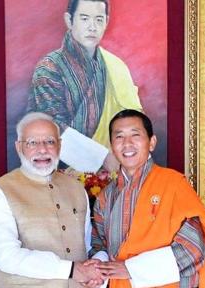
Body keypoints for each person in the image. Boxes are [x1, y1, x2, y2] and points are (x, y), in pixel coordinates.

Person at [89, 109, 205, 288]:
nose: (126, 143)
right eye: (119, 137)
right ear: (112, 145)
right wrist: (100, 265)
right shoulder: (106, 197)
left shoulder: (173, 184)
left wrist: (131, 269)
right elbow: (98, 243)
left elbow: (194, 247)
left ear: (151, 142)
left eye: (135, 135)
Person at [0, 112, 104, 288]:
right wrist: (72, 269)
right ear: (19, 147)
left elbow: (86, 253)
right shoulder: (0, 190)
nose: (42, 149)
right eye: (33, 142)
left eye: (49, 141)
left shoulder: (77, 189)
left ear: (59, 145)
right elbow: (7, 256)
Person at [27, 0, 142, 173]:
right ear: (69, 20)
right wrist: (102, 158)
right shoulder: (49, 67)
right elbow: (50, 127)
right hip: (58, 177)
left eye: (99, 19)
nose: (92, 27)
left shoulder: (116, 67)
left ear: (106, 22)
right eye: (84, 18)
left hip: (117, 170)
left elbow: (135, 122)